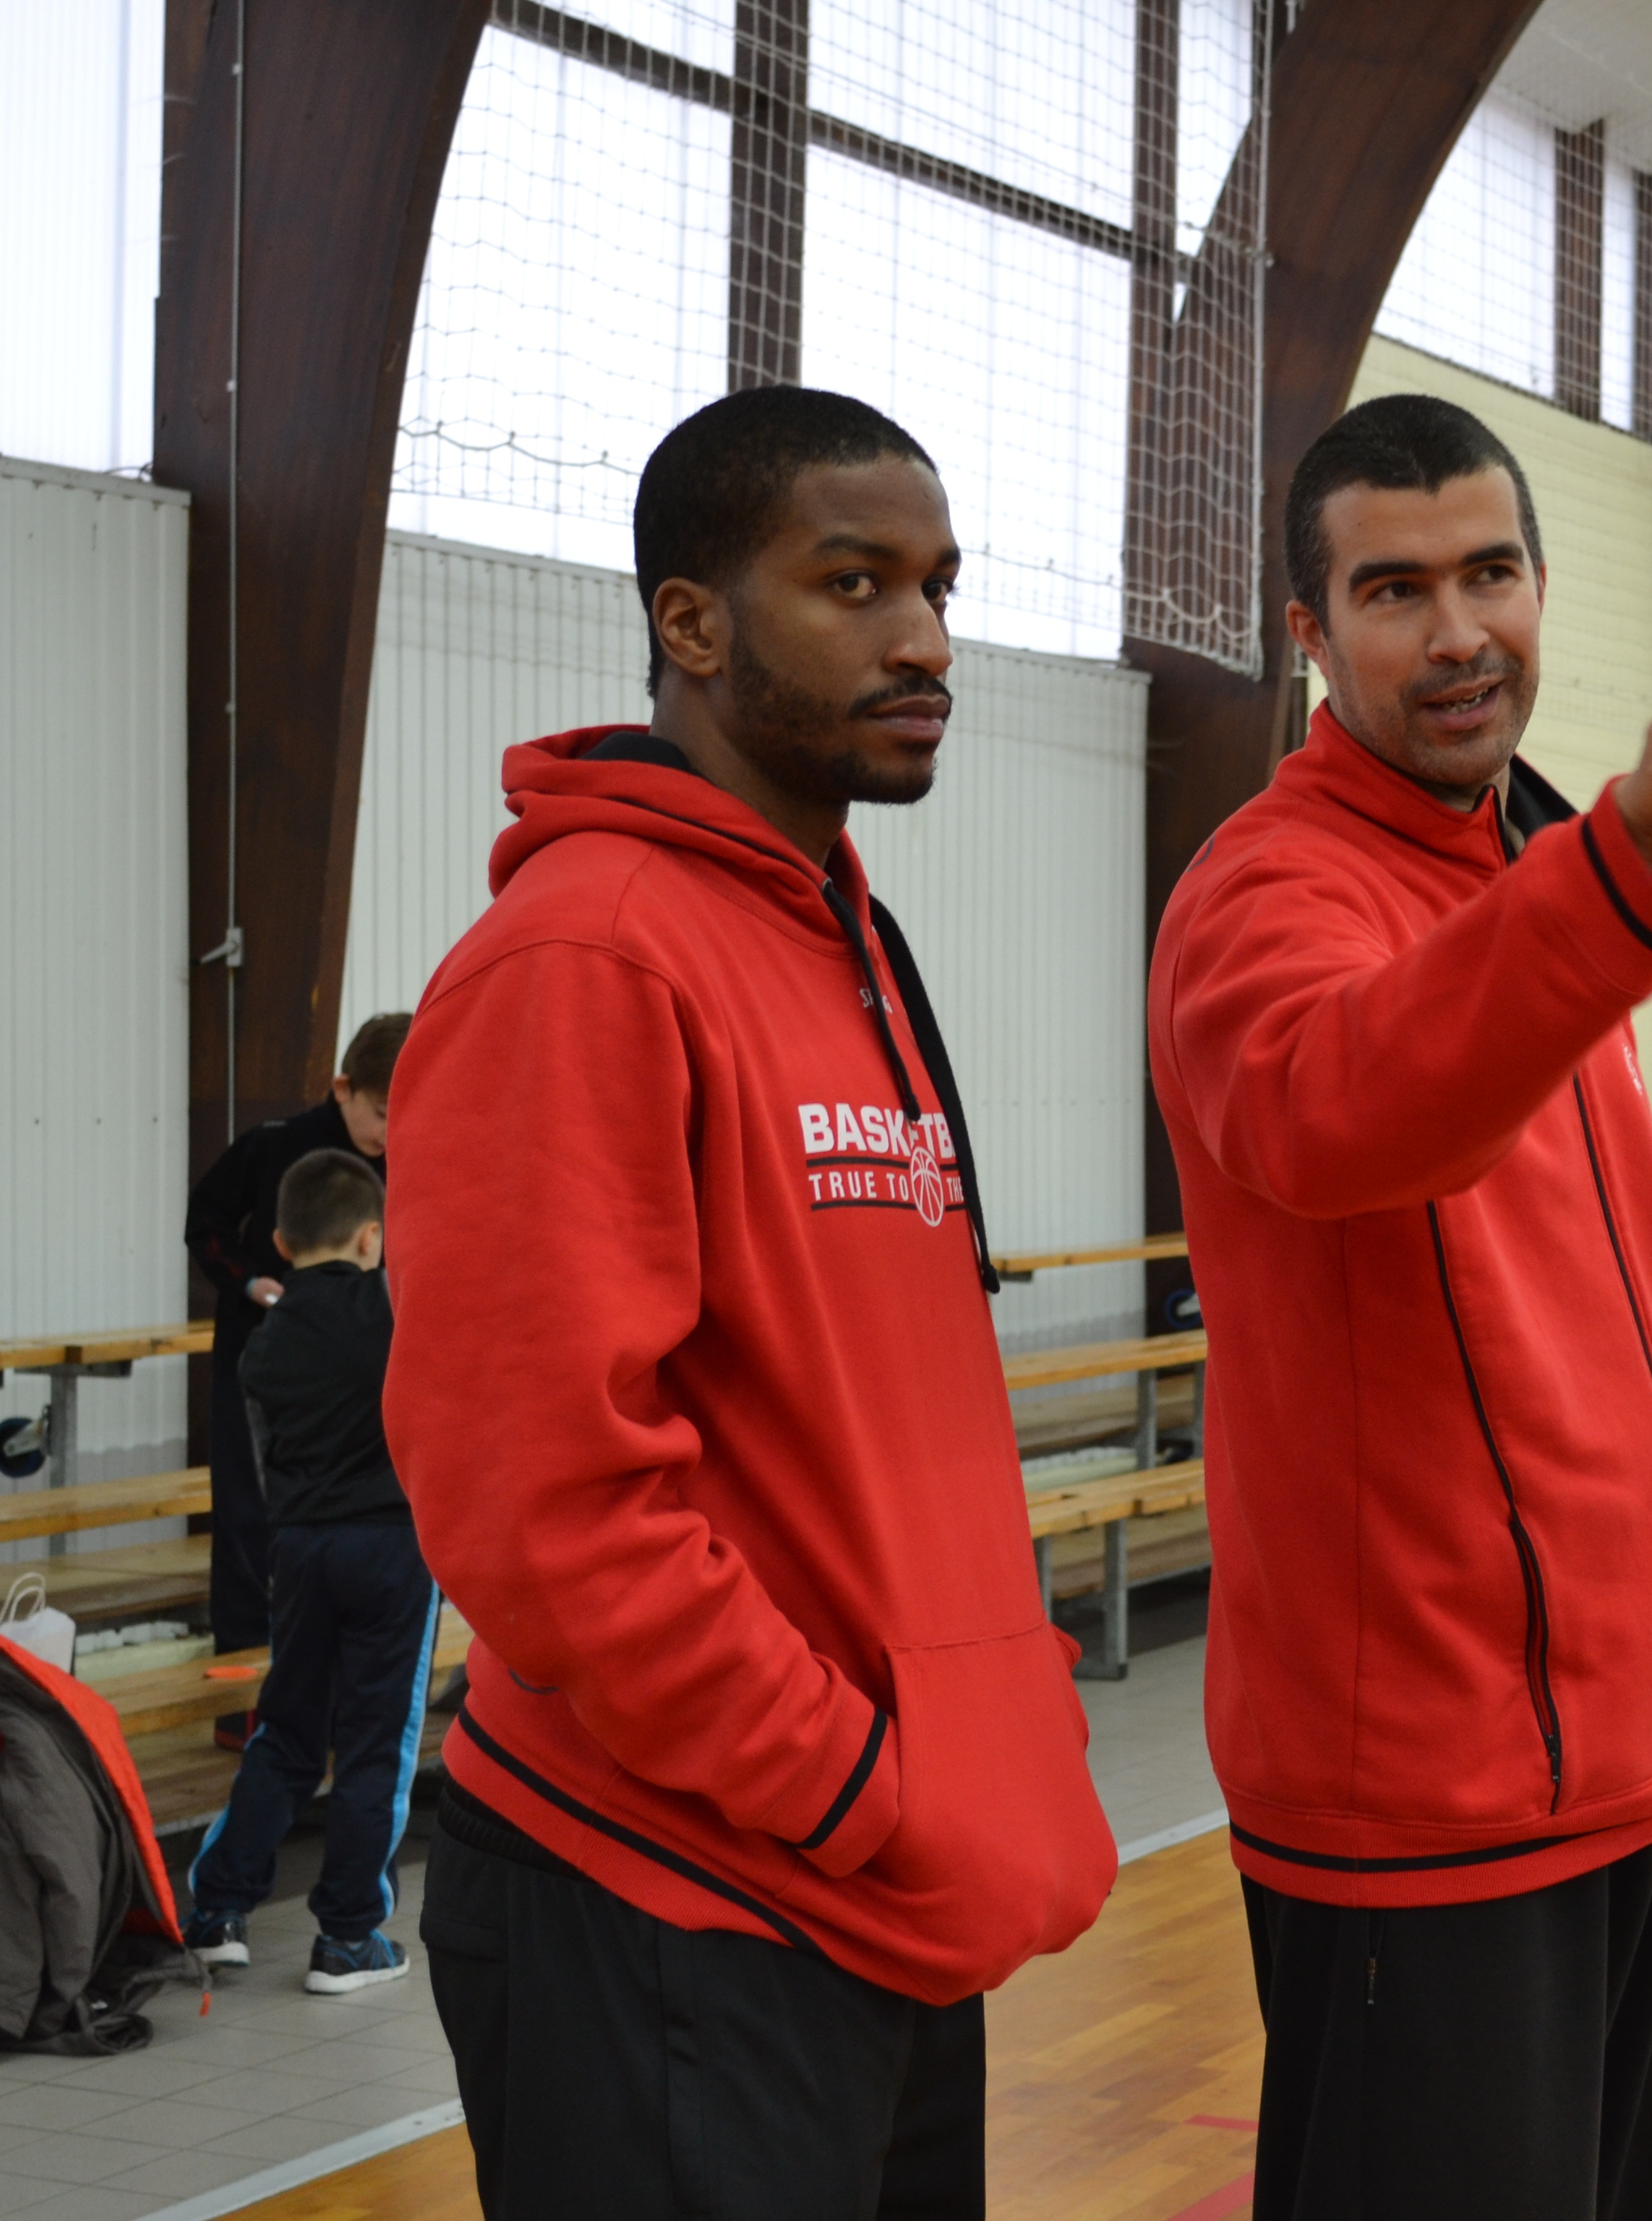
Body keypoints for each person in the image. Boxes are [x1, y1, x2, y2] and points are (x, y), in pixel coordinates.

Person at [1147, 393, 1652, 2221]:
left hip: (1610, 1763)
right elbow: (1351, 1112)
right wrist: (1631, 846)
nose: (1459, 628)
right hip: (1425, 1803)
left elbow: (1567, 1255)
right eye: (1393, 590)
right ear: (1309, 637)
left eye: (1491, 571)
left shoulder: (1521, 877)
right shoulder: (1270, 895)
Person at [382, 388, 1113, 2221]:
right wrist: (859, 1782)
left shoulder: (836, 927)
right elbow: (541, 1503)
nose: (925, 639)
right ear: (689, 622)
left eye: (939, 586)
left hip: (857, 1894)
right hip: (673, 1901)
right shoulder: (585, 955)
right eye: (852, 582)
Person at [181, 1147, 437, 1996]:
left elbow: (265, 1454)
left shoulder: (267, 1339)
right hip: (393, 1549)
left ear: (282, 1247)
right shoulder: (399, 1312)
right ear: (374, 1237)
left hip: (298, 1551)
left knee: (288, 1730)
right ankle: (350, 1936)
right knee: (376, 1743)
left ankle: (218, 1909)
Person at [184, 1011, 407, 1692]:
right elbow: (206, 1222)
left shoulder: (411, 1158)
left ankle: (343, 1684)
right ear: (342, 1089)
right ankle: (241, 1692)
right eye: (380, 1112)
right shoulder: (275, 1146)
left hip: (360, 1379)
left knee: (357, 1527)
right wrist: (249, 1284)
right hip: (260, 1368)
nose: (390, 1132)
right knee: (249, 1521)